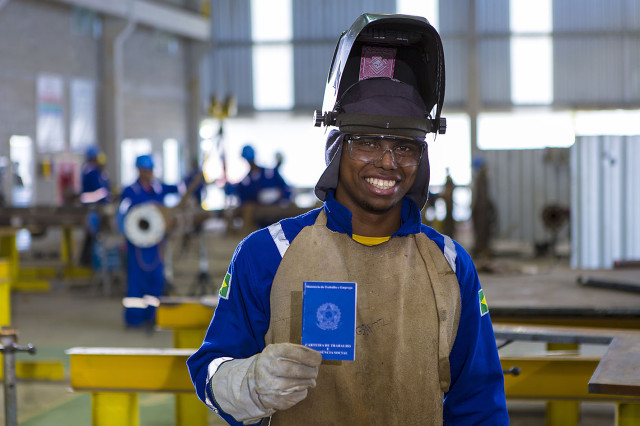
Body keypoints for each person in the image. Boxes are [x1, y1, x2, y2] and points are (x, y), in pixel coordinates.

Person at [187, 13, 508, 425]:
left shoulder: (449, 265)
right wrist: (248, 382)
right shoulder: (267, 254)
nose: (388, 162)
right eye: (368, 142)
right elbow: (210, 368)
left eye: (405, 147)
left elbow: (479, 399)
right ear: (335, 148)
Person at [117, 154, 181, 328]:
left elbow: (179, 190)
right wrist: (124, 234)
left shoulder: (158, 189)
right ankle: (134, 318)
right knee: (136, 282)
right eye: (144, 170)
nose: (147, 173)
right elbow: (121, 215)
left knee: (156, 280)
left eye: (150, 170)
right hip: (136, 245)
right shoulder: (130, 191)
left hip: (156, 243)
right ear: (138, 170)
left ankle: (152, 316)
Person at [226, 144, 293, 207]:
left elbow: (286, 190)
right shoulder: (246, 183)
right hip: (259, 214)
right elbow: (243, 199)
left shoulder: (270, 174)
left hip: (278, 211)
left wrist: (280, 195)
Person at [79, 146, 112, 266]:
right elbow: (99, 190)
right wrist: (106, 197)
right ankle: (88, 260)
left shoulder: (97, 171)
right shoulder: (91, 171)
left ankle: (87, 259)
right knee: (93, 234)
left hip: (96, 207)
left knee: (91, 236)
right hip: (92, 208)